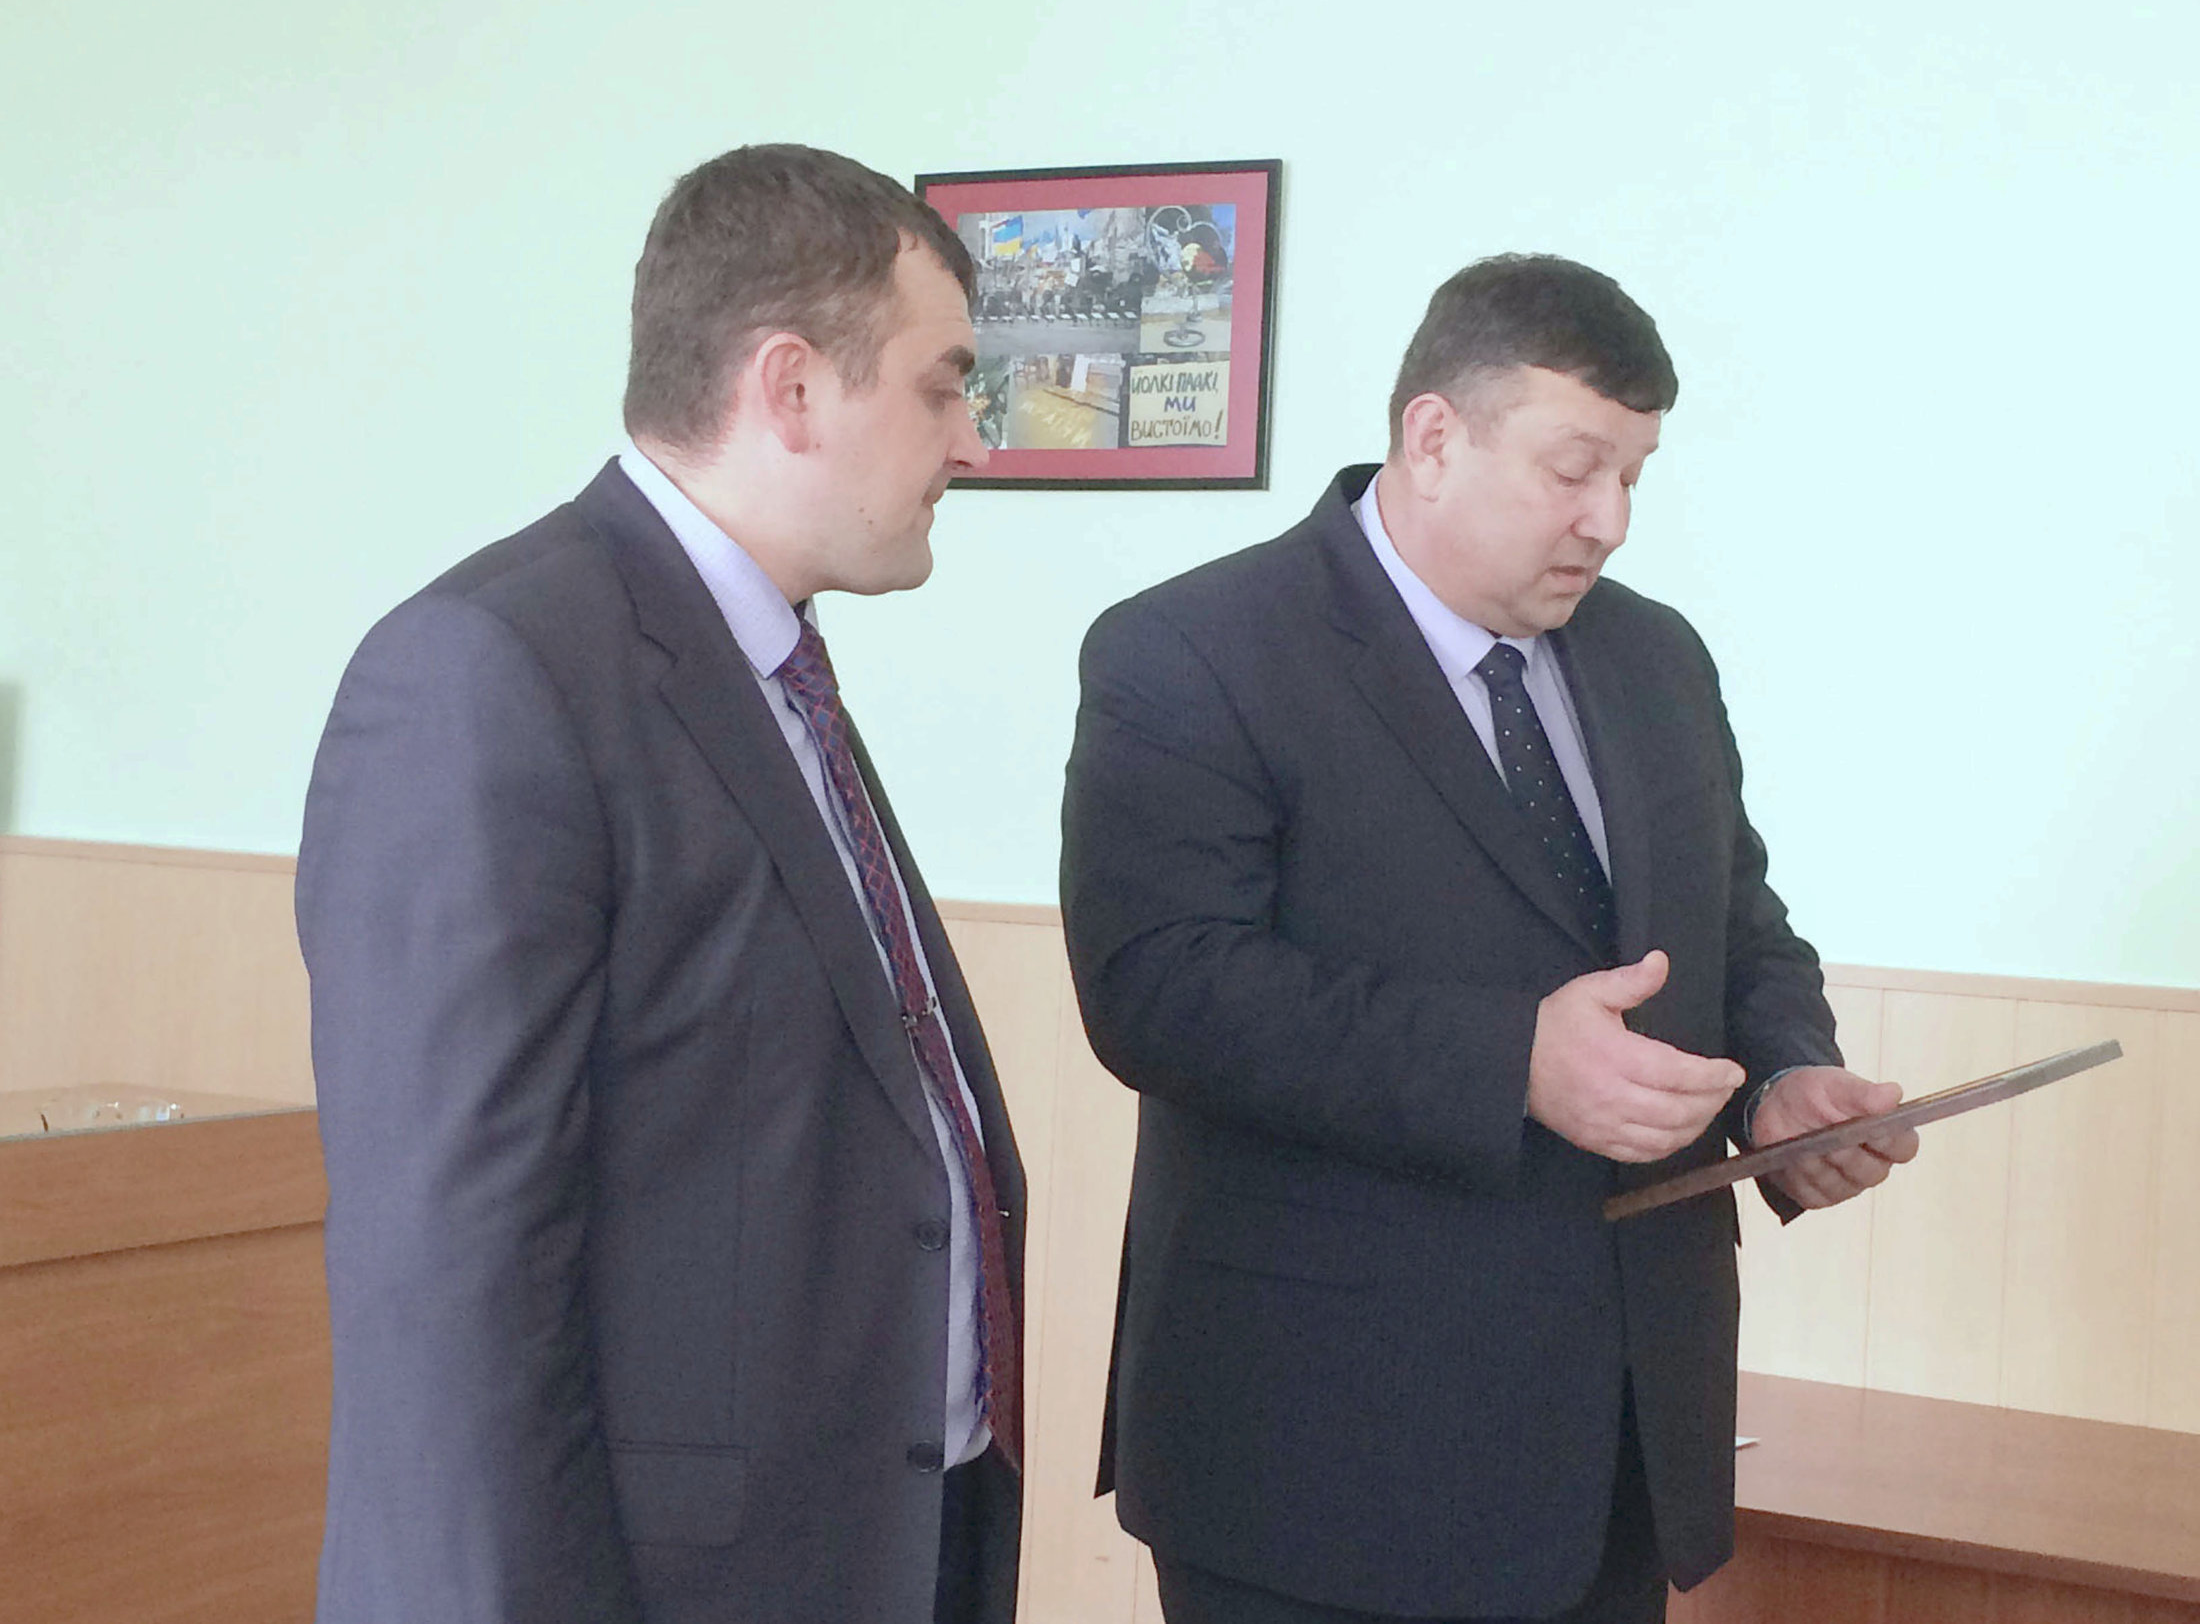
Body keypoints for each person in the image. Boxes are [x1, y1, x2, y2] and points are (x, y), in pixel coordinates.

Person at [1059, 254, 1917, 1624]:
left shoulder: (1658, 658)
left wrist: (1783, 1081)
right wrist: (1511, 1060)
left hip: (1620, 1446)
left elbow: (1739, 926)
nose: (1610, 520)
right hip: (1318, 1458)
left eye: (1634, 475)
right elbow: (1160, 988)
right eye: (1576, 469)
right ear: (1435, 437)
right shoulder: (1195, 649)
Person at [298, 143, 1023, 1624]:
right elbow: (449, 1277)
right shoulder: (488, 670)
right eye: (943, 387)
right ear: (792, 388)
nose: (972, 443)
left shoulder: (765, 659)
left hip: (877, 1539)